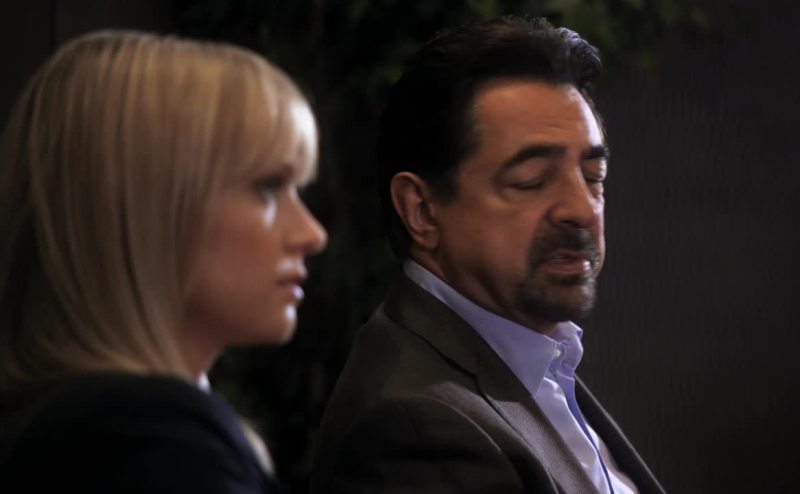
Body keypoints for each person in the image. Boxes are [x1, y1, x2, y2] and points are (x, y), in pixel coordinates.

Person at [311, 16, 664, 493]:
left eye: (593, 177)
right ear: (422, 211)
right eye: (532, 180)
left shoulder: (539, 361)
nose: (582, 209)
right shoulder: (416, 427)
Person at [0, 31, 326, 492]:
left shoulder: (94, 431)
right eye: (268, 187)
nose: (312, 234)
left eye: (298, 190)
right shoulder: (153, 444)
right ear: (143, 210)